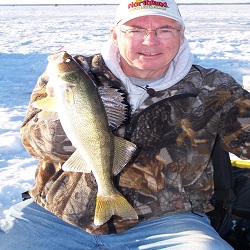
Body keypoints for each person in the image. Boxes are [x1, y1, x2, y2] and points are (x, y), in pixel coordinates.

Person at [1, 0, 249, 249]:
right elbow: (37, 145)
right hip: (55, 216)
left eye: (164, 30)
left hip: (169, 223)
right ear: (115, 35)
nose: (150, 41)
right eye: (135, 30)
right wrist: (65, 106)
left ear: (181, 36)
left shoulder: (214, 86)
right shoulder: (77, 73)